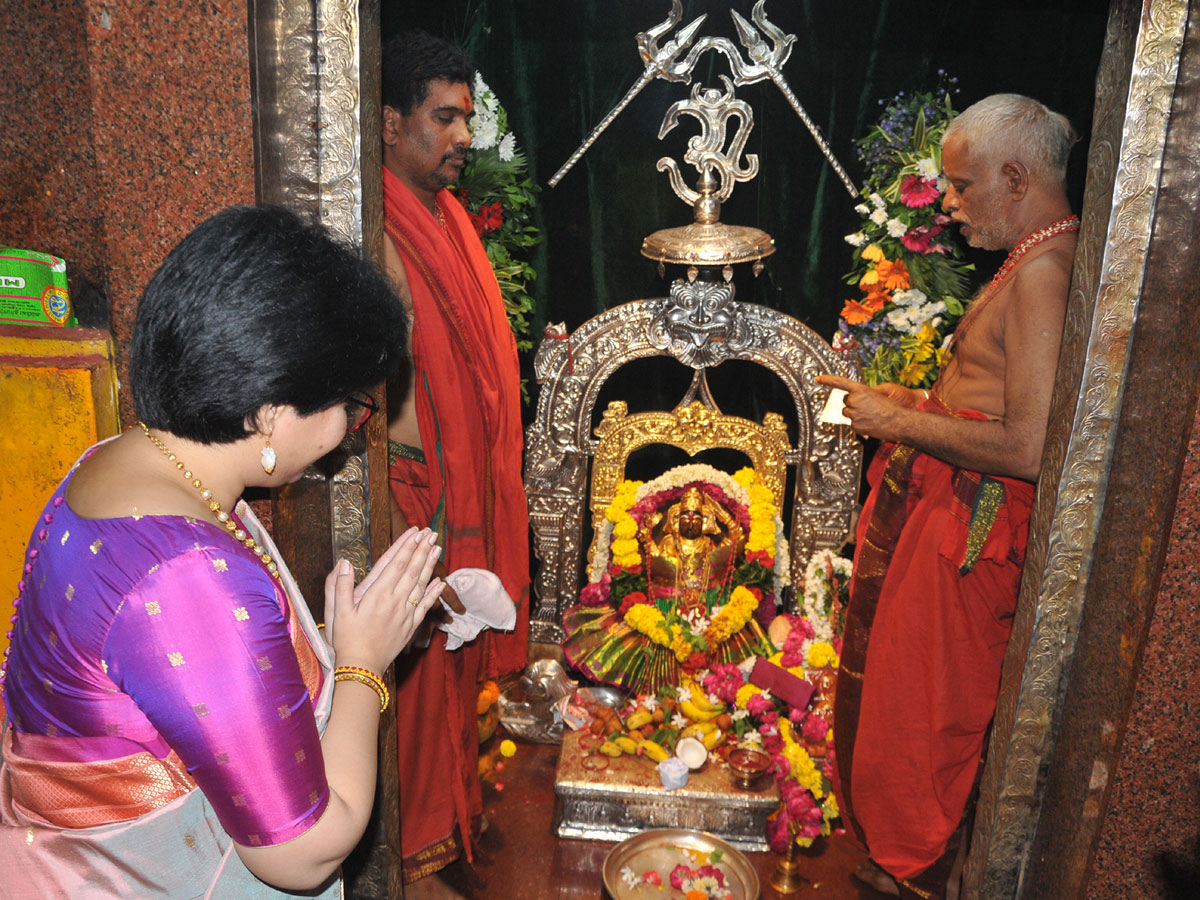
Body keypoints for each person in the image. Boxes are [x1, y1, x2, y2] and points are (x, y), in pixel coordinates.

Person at [0, 205, 447, 898]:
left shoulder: (126, 459)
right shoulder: (188, 579)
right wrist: (363, 664)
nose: (349, 431)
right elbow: (299, 856)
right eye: (351, 408)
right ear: (269, 413)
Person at [818, 94, 1079, 900]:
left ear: (1014, 177)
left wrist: (901, 420)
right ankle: (897, 863)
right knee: (898, 702)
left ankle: (913, 875)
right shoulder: (1031, 256)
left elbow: (1031, 447)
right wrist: (910, 402)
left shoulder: (1045, 272)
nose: (953, 206)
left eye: (963, 188)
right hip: (948, 511)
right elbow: (991, 403)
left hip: (974, 534)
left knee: (925, 715)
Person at [379, 30, 530, 897]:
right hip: (414, 498)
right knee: (419, 690)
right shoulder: (376, 226)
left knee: (452, 682)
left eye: (467, 117)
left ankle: (451, 826)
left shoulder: (449, 217)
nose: (464, 135)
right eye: (445, 117)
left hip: (457, 489)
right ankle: (411, 861)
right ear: (392, 122)